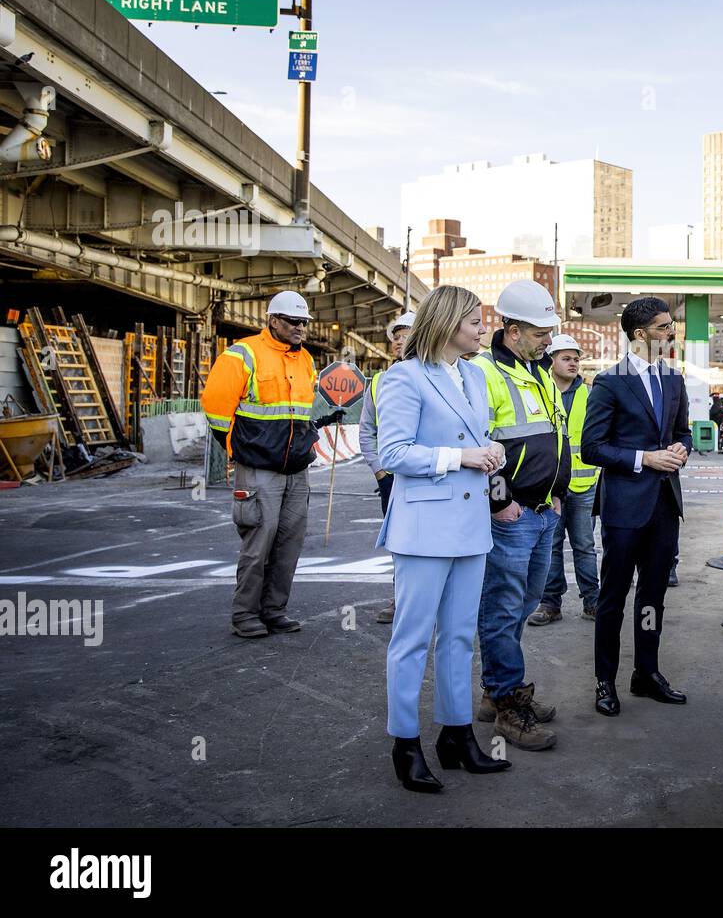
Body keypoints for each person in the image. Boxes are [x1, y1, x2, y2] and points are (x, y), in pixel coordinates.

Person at [377, 286, 510, 792]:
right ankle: (404, 744)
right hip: (425, 527)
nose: (482, 330)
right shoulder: (404, 378)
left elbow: (475, 435)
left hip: (471, 524)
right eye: (475, 322)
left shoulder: (475, 376)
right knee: (410, 640)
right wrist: (460, 458)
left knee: (458, 637)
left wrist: (489, 447)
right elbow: (392, 453)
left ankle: (456, 736)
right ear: (449, 323)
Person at [201, 290, 343, 639]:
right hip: (259, 468)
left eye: (304, 323)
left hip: (296, 467)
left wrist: (315, 429)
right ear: (272, 320)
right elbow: (216, 407)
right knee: (258, 541)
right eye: (293, 321)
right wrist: (238, 448)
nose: (300, 328)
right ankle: (245, 614)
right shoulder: (243, 354)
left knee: (289, 543)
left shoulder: (305, 360)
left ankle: (274, 610)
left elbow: (300, 412)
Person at [469, 280, 569, 751]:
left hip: (543, 510)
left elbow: (552, 438)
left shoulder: (540, 371)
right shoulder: (485, 373)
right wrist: (498, 502)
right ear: (512, 330)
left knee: (524, 604)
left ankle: (495, 690)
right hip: (511, 514)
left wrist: (558, 494)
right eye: (540, 331)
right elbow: (481, 443)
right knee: (503, 607)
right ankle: (509, 704)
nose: (549, 339)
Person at [583, 297, 692, 717]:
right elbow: (592, 448)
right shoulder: (610, 383)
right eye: (664, 327)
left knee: (653, 595)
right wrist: (644, 458)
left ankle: (646, 673)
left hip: (665, 503)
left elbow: (681, 431)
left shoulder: (674, 379)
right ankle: (604, 681)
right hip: (625, 507)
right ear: (640, 335)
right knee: (613, 597)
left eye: (672, 325)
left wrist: (679, 448)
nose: (672, 332)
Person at [528, 334, 600, 624]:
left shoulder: (590, 394)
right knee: (551, 546)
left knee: (584, 545)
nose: (573, 363)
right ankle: (550, 603)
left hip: (583, 484)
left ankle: (593, 601)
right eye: (566, 358)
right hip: (549, 485)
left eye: (576, 359)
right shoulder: (538, 390)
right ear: (552, 360)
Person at [359, 310, 415, 624]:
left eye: (404, 335)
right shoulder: (380, 381)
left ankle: (431, 601)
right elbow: (367, 430)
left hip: (426, 474)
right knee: (400, 542)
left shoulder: (440, 375)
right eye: (395, 337)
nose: (397, 342)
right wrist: (380, 471)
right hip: (392, 478)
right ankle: (401, 600)